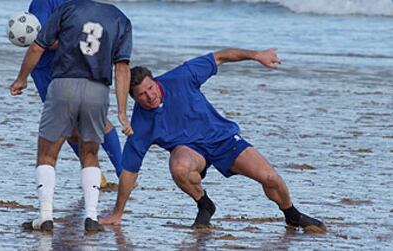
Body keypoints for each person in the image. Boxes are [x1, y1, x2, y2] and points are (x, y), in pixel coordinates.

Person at [100, 48, 327, 233]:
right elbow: (129, 172)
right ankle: (205, 205)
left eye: (150, 88)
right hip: (189, 151)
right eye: (141, 94)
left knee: (269, 178)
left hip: (223, 139)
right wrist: (118, 212)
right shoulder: (140, 124)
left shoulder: (181, 77)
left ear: (154, 81)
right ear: (133, 98)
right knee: (179, 167)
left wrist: (256, 55)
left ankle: (292, 215)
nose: (150, 96)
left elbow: (219, 57)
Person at [9, 0, 133, 232]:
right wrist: (123, 112)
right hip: (98, 88)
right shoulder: (119, 18)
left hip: (63, 81)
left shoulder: (67, 9)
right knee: (90, 153)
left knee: (47, 153)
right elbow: (122, 67)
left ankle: (45, 217)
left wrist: (21, 78)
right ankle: (92, 218)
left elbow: (38, 45)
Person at [28, 0, 125, 184]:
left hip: (71, 65)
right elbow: (42, 38)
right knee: (70, 127)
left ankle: (123, 172)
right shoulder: (43, 2)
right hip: (46, 68)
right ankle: (95, 175)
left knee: (97, 120)